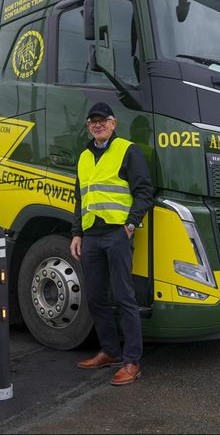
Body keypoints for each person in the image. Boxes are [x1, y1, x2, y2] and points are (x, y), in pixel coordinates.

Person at [70, 102, 153, 385]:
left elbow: (144, 191)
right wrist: (77, 233)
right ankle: (109, 351)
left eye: (103, 120)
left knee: (123, 297)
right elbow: (81, 198)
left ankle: (132, 361)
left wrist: (130, 225)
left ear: (114, 123)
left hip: (118, 233)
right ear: (88, 126)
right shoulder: (83, 156)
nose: (98, 124)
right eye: (93, 121)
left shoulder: (127, 150)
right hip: (91, 235)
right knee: (95, 297)